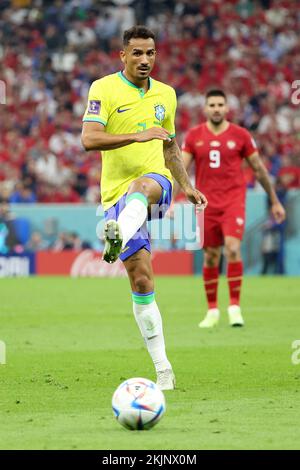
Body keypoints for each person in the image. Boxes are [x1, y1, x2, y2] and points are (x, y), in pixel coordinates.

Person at [81, 25, 207, 390]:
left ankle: (117, 231)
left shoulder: (167, 95)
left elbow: (169, 147)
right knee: (141, 279)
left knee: (143, 185)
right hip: (115, 196)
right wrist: (136, 135)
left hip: (155, 183)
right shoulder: (102, 89)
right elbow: (89, 139)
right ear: (123, 56)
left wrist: (186, 185)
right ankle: (163, 369)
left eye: (150, 53)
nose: (144, 60)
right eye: (137, 53)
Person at [177, 89, 285, 328]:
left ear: (227, 108)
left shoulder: (241, 135)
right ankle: (212, 310)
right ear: (205, 108)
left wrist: (275, 201)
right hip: (205, 203)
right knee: (211, 255)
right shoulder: (194, 136)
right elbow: (181, 171)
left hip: (233, 201)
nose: (216, 108)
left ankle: (234, 307)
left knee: (232, 247)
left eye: (220, 105)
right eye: (212, 105)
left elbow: (258, 169)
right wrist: (174, 200)